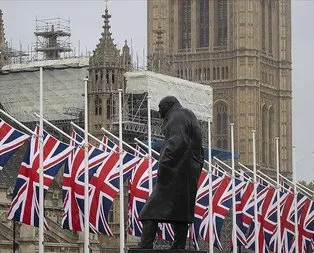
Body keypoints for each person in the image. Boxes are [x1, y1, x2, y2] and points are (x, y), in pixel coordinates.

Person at [138, 96, 204, 249]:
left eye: (160, 108)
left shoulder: (177, 116)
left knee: (149, 212)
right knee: (181, 212)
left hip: (175, 172)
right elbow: (200, 151)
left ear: (168, 105)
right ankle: (178, 246)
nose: (159, 112)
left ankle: (145, 246)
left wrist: (164, 164)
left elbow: (177, 142)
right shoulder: (188, 115)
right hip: (188, 173)